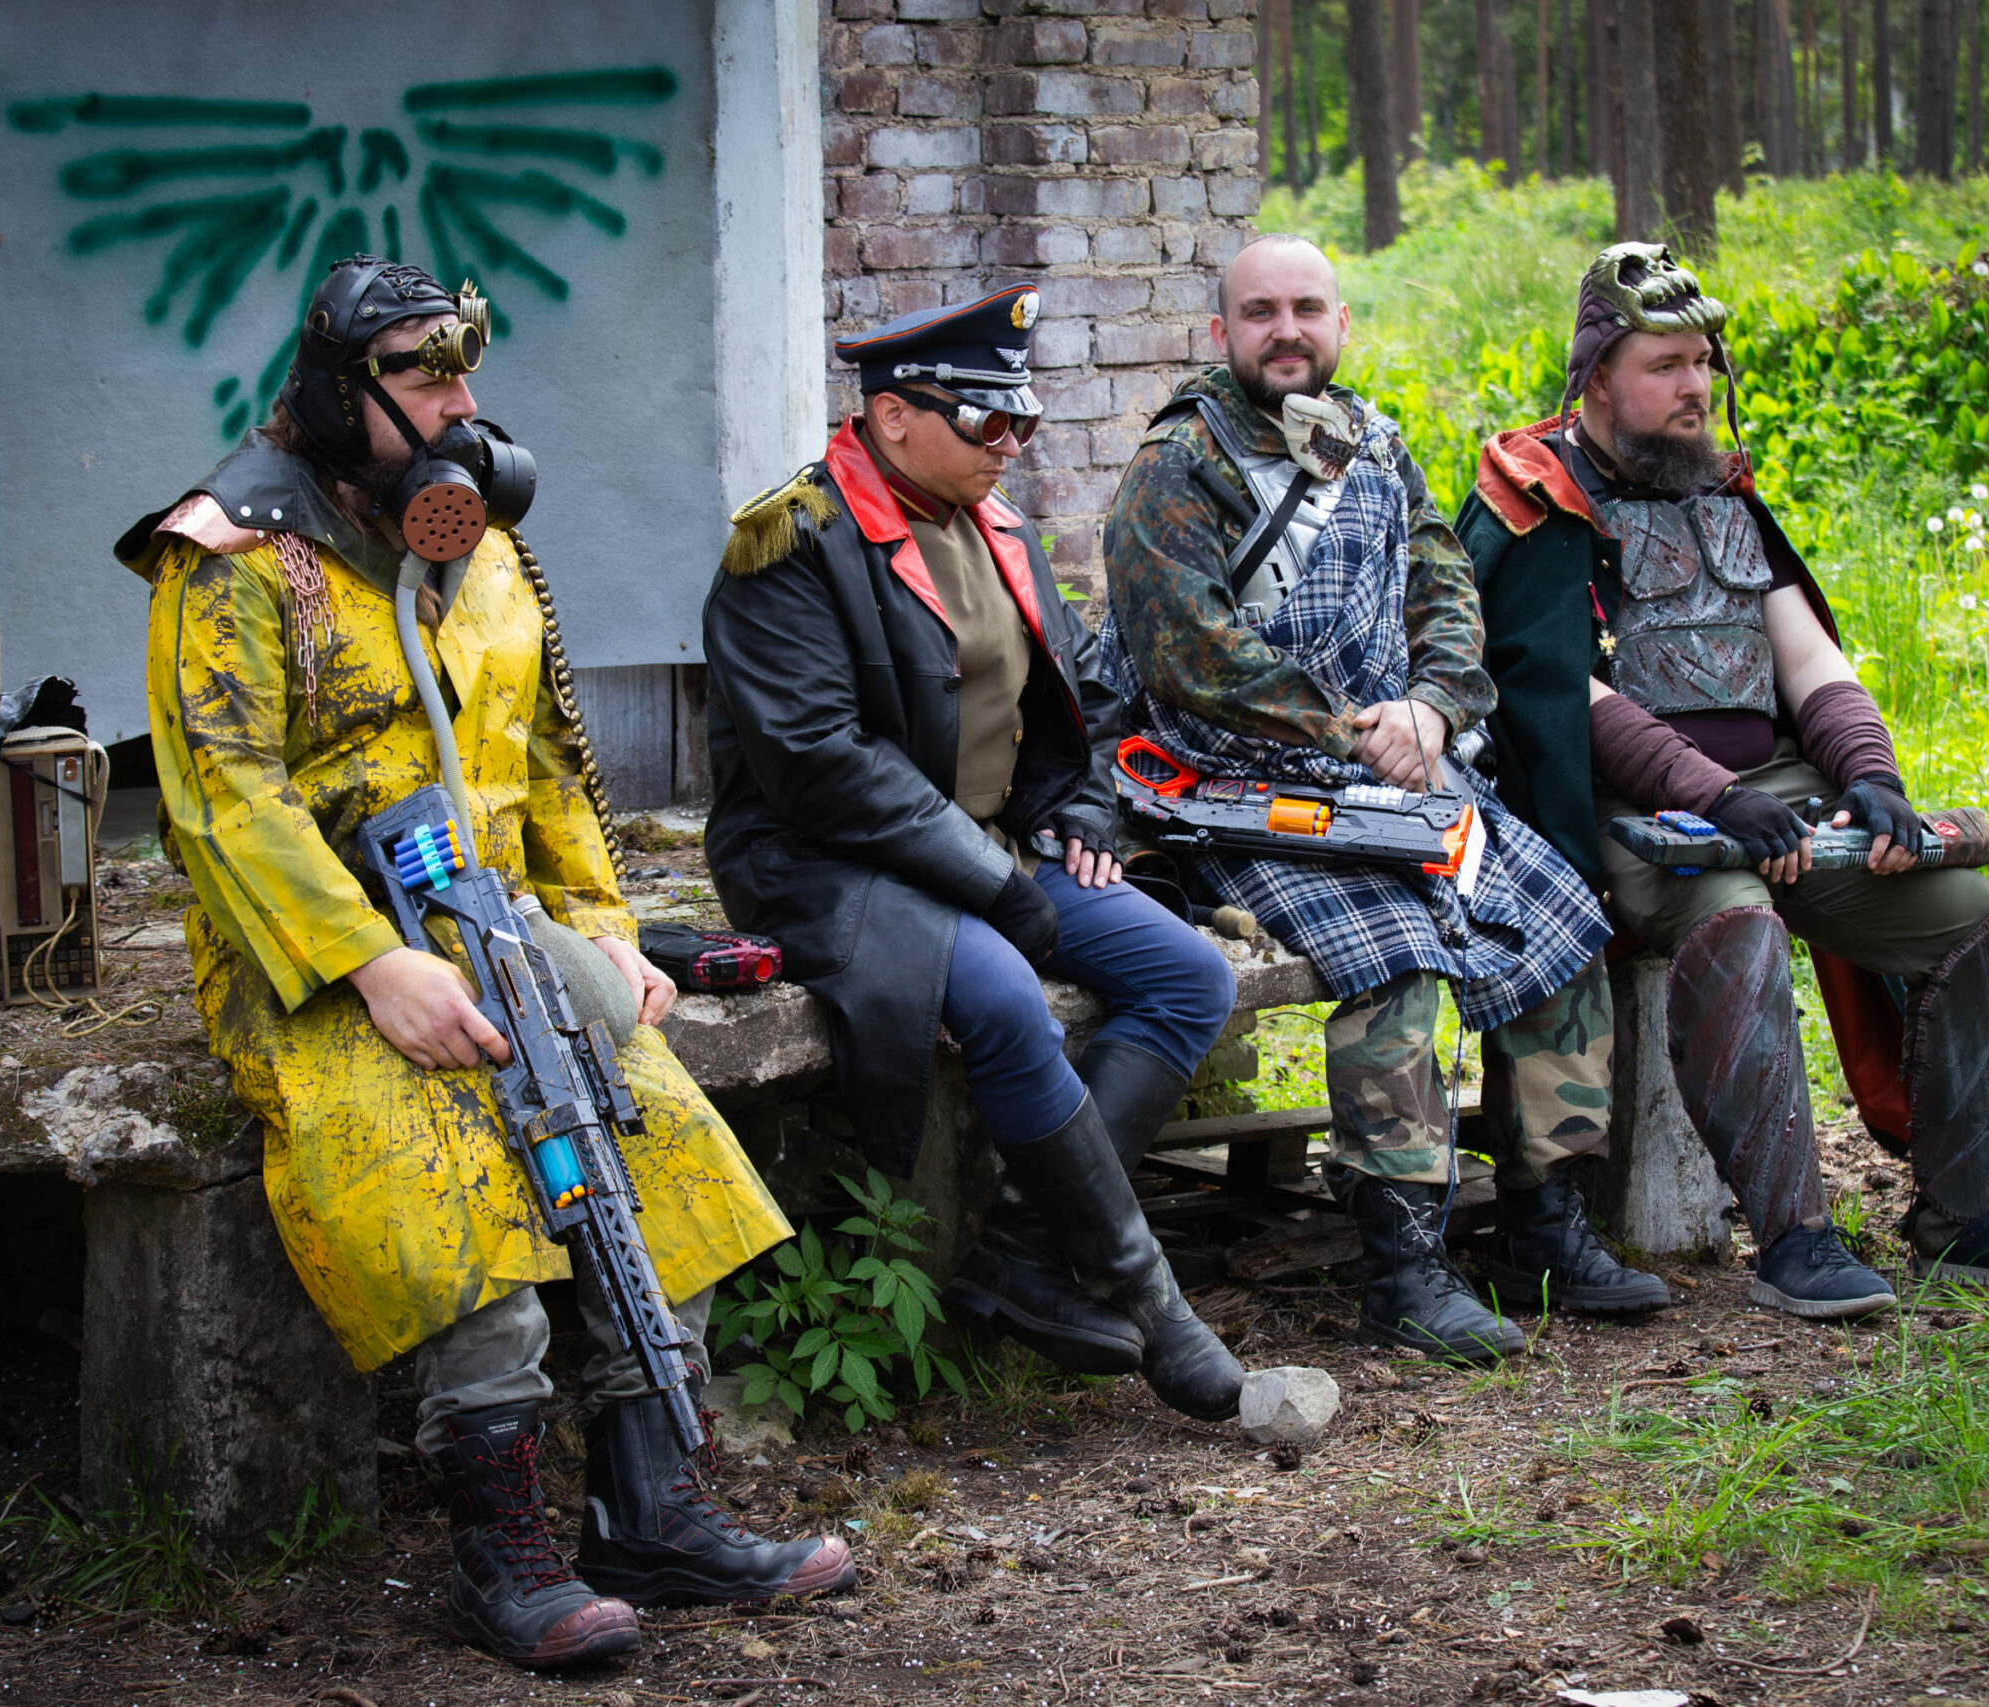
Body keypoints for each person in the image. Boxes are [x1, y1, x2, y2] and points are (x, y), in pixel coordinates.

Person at [117, 256, 851, 1669]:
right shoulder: (227, 555)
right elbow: (222, 798)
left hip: (503, 926)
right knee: (449, 1191)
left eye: (466, 373)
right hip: (316, 958)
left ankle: (653, 1516)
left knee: (660, 1150)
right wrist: (366, 967)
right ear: (339, 390)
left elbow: (549, 766)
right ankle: (501, 1553)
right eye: (423, 376)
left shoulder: (477, 539)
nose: (461, 405)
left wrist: (607, 928)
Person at [1457, 241, 1989, 1317]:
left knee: (1968, 912)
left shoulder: (1721, 491)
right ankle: (1795, 1240)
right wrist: (1712, 794)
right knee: (1735, 916)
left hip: (1780, 791)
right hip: (1630, 815)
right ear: (1598, 375)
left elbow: (1808, 660)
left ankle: (1968, 1218)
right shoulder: (1533, 500)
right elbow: (1566, 696)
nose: (1696, 386)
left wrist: (1871, 777)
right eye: (1666, 364)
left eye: (1703, 362)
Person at [1097, 235, 1669, 1369]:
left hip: (1398, 769)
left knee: (1558, 918)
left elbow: (1445, 592)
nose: (1287, 331)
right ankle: (1404, 1272)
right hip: (1234, 790)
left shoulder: (1374, 444)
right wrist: (1357, 729)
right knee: (1395, 956)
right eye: (1260, 312)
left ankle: (1543, 1228)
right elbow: (1188, 655)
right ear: (1221, 333)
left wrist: (1437, 708)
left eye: (1307, 308)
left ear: (1342, 323)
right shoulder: (1178, 464)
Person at [699, 285, 1245, 1421]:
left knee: (1188, 973)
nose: (1011, 444)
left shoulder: (994, 527)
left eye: (1023, 420)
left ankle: (1025, 1252)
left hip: (987, 849)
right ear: (893, 416)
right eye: (987, 420)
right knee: (1003, 995)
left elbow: (1083, 696)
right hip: (829, 866)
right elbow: (819, 764)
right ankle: (1151, 1300)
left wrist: (1081, 813)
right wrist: (996, 885)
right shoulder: (787, 546)